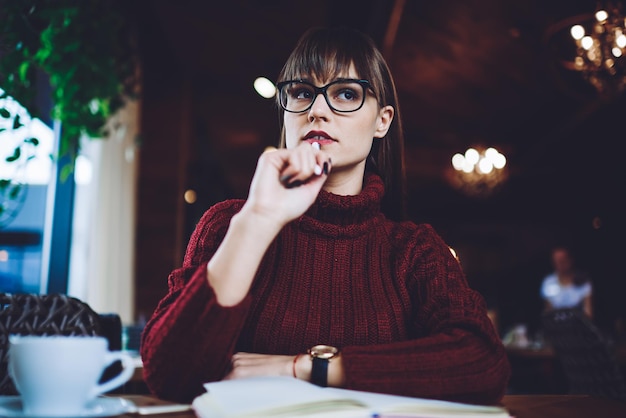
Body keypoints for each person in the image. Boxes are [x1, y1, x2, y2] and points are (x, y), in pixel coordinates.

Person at [140, 26, 510, 405]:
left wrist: (305, 367)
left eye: (346, 94)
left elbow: (482, 362)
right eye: (302, 93)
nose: (317, 110)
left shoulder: (413, 250)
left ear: (382, 120)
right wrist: (259, 219)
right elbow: (168, 374)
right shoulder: (229, 223)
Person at [540, 246, 593, 318]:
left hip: (578, 325)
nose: (560, 264)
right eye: (556, 261)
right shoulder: (548, 282)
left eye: (562, 261)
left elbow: (588, 313)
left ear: (570, 260)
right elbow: (548, 311)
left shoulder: (583, 281)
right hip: (556, 325)